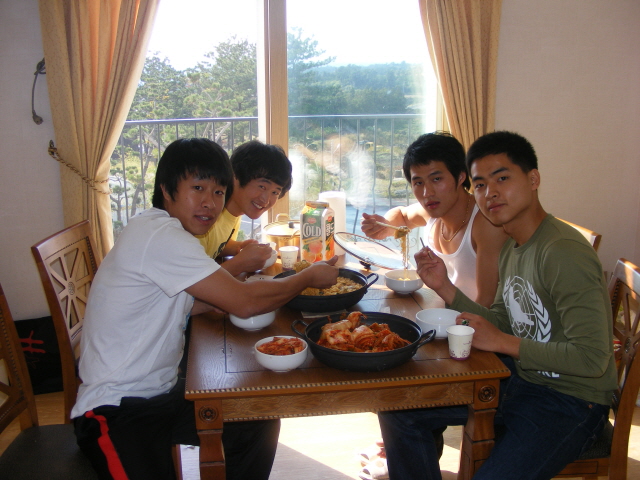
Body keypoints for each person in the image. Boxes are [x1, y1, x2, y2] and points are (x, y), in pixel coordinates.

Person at [71, 138, 339, 480]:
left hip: (163, 396)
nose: (210, 203)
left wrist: (232, 295)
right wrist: (307, 277)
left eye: (218, 192)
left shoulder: (163, 230)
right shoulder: (161, 235)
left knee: (256, 417)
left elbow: (190, 303)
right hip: (115, 410)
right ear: (166, 189)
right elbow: (245, 303)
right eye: (198, 188)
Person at [378, 131, 617, 480]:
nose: (489, 192)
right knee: (399, 410)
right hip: (522, 381)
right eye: (480, 184)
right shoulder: (515, 245)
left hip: (572, 401)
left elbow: (593, 360)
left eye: (502, 178)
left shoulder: (563, 252)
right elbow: (503, 320)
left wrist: (503, 342)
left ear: (533, 179)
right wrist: (444, 287)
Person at [361, 132, 507, 308]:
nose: (427, 193)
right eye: (418, 183)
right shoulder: (431, 210)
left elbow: (487, 305)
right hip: (442, 312)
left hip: (472, 321)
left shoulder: (486, 224)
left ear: (461, 176)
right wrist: (386, 226)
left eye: (436, 179)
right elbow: (402, 215)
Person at [198, 140, 293, 276]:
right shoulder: (205, 214)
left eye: (275, 192)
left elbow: (213, 244)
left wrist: (237, 247)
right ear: (235, 176)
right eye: (262, 187)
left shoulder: (234, 211)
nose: (266, 200)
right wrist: (240, 263)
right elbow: (195, 283)